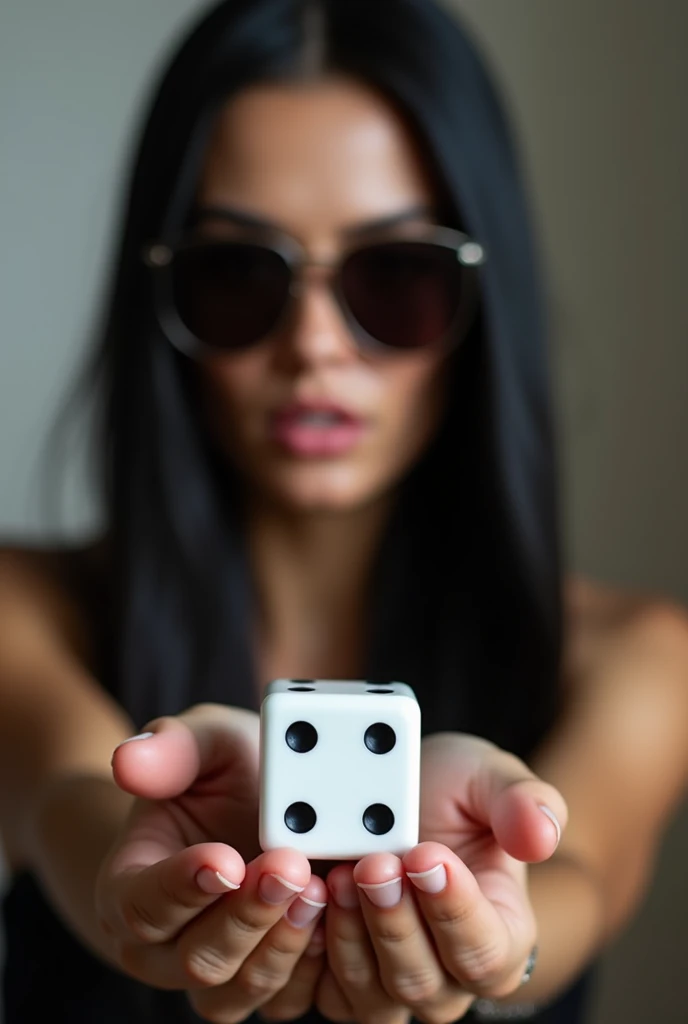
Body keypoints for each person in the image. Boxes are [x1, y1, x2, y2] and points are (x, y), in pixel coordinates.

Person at [1, 0, 687, 1021]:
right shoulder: (21, 609)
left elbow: (572, 878)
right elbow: (71, 800)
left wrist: (492, 936)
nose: (315, 344)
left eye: (394, 275)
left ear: (479, 304)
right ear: (162, 296)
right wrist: (150, 892)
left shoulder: (639, 656)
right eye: (238, 272)